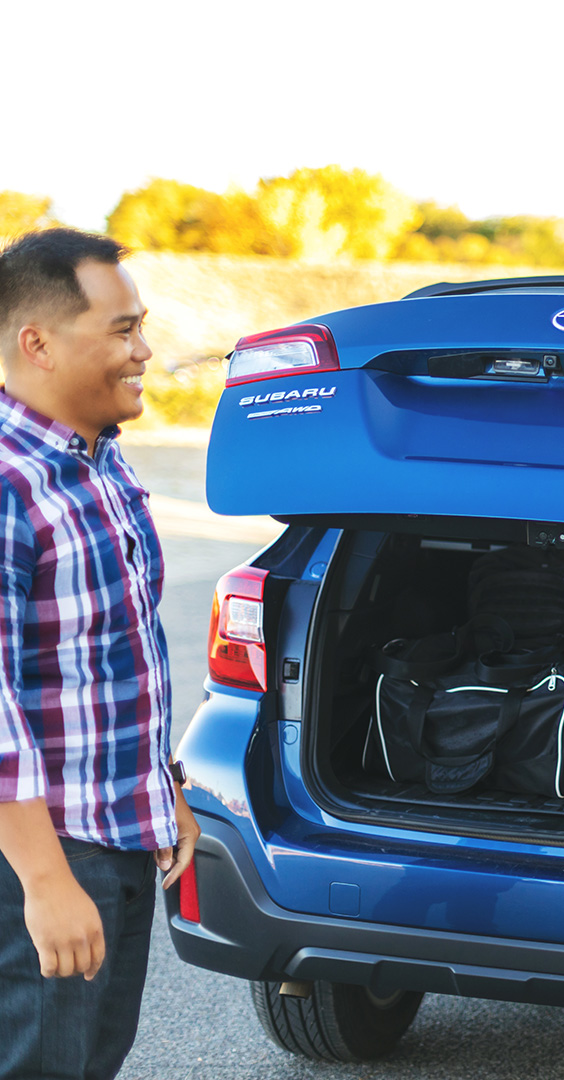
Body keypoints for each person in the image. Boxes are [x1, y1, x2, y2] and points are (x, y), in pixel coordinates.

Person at [0, 228, 199, 1080]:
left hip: (117, 835)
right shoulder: (9, 483)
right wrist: (44, 882)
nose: (144, 350)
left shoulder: (98, 466)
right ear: (35, 342)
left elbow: (119, 657)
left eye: (140, 326)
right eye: (121, 330)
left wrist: (166, 792)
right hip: (37, 857)